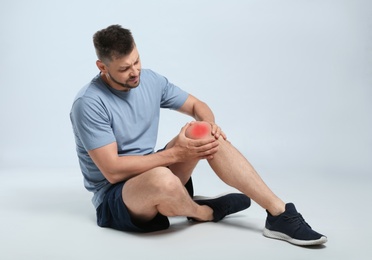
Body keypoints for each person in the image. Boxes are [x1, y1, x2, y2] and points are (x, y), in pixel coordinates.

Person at [70, 24, 327, 246]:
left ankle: (279, 214)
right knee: (162, 179)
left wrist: (210, 126)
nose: (135, 71)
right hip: (115, 197)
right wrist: (175, 154)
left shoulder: (149, 80)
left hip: (152, 170)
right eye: (125, 68)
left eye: (137, 61)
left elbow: (196, 106)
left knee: (201, 131)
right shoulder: (89, 103)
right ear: (102, 66)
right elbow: (113, 171)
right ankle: (204, 211)